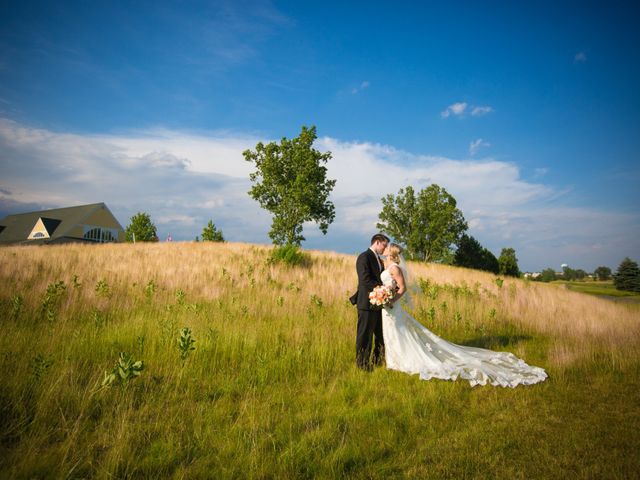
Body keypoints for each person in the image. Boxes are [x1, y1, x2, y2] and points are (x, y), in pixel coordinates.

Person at [379, 243, 548, 387]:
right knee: (393, 332)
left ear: (391, 253)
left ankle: (402, 361)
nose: (385, 248)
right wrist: (381, 294)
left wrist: (392, 300)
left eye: (387, 248)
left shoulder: (395, 268)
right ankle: (394, 360)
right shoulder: (388, 266)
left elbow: (402, 288)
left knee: (398, 332)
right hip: (386, 306)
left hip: (392, 305)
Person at [350, 234, 389, 370]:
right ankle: (362, 365)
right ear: (377, 242)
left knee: (381, 335)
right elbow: (365, 280)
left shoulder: (379, 259)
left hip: (378, 303)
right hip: (366, 303)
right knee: (365, 336)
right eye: (384, 245)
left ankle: (377, 361)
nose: (385, 249)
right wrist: (383, 289)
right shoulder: (364, 257)